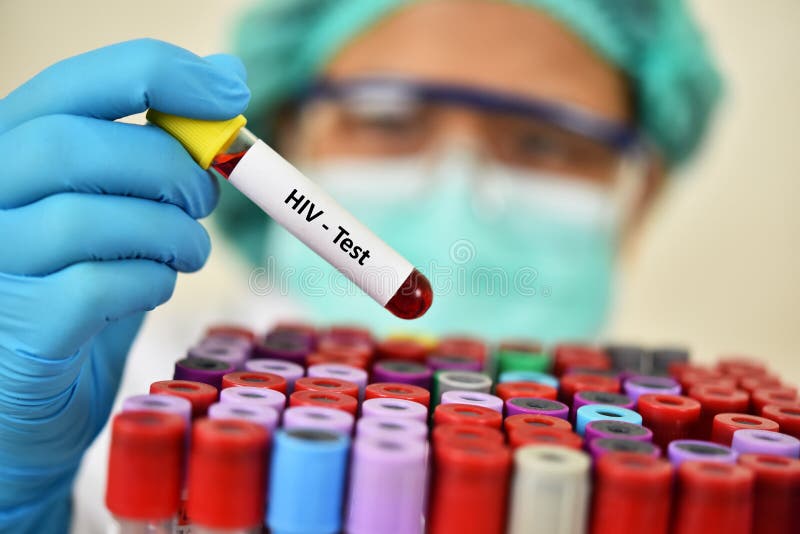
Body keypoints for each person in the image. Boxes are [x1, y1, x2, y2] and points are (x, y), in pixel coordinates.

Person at [0, 0, 720, 531]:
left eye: (544, 141)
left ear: (639, 192)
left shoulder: (688, 460)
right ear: (288, 142)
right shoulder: (134, 395)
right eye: (384, 119)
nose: (458, 192)